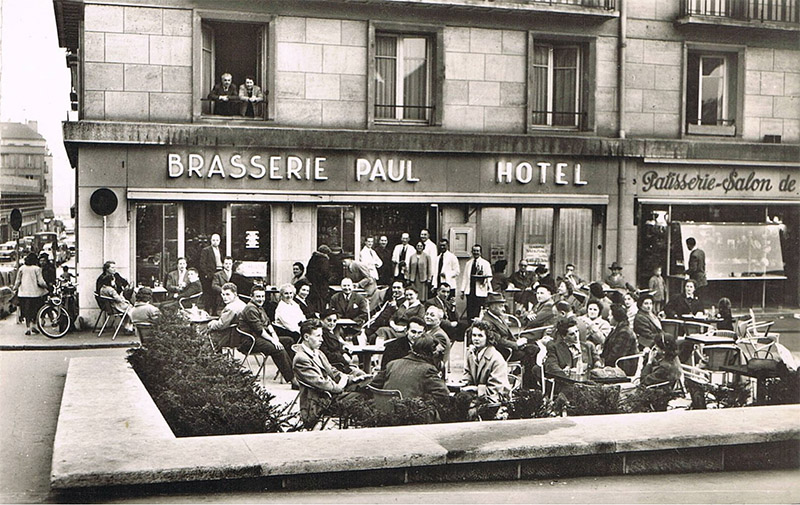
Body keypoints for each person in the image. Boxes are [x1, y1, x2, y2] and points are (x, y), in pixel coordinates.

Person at [292, 318, 363, 429]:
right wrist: (340, 386)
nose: (322, 340)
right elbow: (321, 383)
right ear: (306, 337)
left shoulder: (318, 352)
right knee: (363, 397)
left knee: (365, 387)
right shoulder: (301, 359)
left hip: (330, 396)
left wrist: (351, 379)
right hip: (319, 403)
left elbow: (332, 371)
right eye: (318, 336)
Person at [238, 285, 296, 385]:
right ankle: (292, 380)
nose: (261, 299)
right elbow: (260, 330)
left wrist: (275, 336)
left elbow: (268, 323)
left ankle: (295, 373)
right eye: (258, 296)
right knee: (278, 349)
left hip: (260, 338)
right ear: (251, 297)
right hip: (250, 341)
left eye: (262, 296)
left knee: (288, 341)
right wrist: (273, 341)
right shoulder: (250, 309)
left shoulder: (259, 307)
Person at [370, 334, 450, 403]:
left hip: (384, 410)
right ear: (432, 352)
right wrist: (424, 397)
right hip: (410, 413)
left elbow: (372, 386)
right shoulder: (428, 369)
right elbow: (443, 394)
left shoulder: (392, 364)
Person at [462, 320, 511, 402]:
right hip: (478, 396)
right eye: (474, 335)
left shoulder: (496, 358)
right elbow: (467, 376)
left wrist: (475, 389)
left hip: (496, 399)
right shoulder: (471, 354)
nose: (476, 339)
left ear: (488, 337)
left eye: (480, 336)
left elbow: (496, 389)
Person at [14, 252, 48, 335]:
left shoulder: (22, 268)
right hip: (34, 294)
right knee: (35, 310)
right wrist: (46, 286)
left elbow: (18, 280)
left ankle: (28, 328)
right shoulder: (37, 269)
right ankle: (34, 326)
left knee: (26, 311)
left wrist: (15, 288)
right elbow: (41, 282)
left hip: (23, 294)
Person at [205, 282, 246, 350]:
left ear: (235, 294)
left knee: (202, 331)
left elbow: (221, 325)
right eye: (223, 295)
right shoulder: (241, 303)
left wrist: (211, 323)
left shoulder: (231, 307)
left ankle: (211, 357)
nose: (225, 297)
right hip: (239, 335)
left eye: (228, 294)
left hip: (230, 337)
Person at [319, 309, 360, 374]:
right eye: (329, 320)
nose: (332, 323)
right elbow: (325, 355)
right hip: (334, 367)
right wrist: (342, 357)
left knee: (362, 374)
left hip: (340, 365)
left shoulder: (331, 334)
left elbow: (339, 347)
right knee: (360, 375)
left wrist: (345, 353)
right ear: (321, 320)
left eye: (334, 321)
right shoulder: (321, 335)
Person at [601, 303, 638, 371]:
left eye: (610, 315)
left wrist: (602, 363)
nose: (608, 317)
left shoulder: (624, 333)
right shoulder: (617, 329)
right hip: (614, 364)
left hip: (621, 366)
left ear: (616, 317)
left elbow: (616, 354)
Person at [461, 244, 492, 319]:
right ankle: (470, 327)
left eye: (477, 251)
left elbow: (490, 277)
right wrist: (462, 291)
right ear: (472, 252)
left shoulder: (485, 263)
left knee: (479, 311)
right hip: (470, 291)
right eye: (474, 251)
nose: (476, 252)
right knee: (470, 311)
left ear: (480, 252)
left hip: (480, 290)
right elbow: (465, 277)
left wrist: (483, 280)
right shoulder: (468, 263)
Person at [199, 234, 224, 314]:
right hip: (210, 274)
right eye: (213, 240)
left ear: (219, 241)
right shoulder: (206, 250)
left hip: (219, 272)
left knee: (216, 294)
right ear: (211, 241)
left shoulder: (220, 250)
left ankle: (214, 311)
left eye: (217, 240)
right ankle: (206, 311)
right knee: (208, 294)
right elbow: (202, 263)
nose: (215, 242)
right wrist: (207, 274)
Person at [306, 244, 333, 314]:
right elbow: (325, 273)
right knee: (321, 304)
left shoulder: (313, 259)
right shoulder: (324, 260)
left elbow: (308, 272)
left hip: (313, 285)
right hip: (321, 286)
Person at [685, 237, 707, 303]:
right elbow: (703, 265)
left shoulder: (693, 255)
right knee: (701, 298)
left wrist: (685, 272)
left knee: (695, 298)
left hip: (696, 280)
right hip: (703, 279)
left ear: (689, 245)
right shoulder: (701, 252)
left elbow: (693, 269)